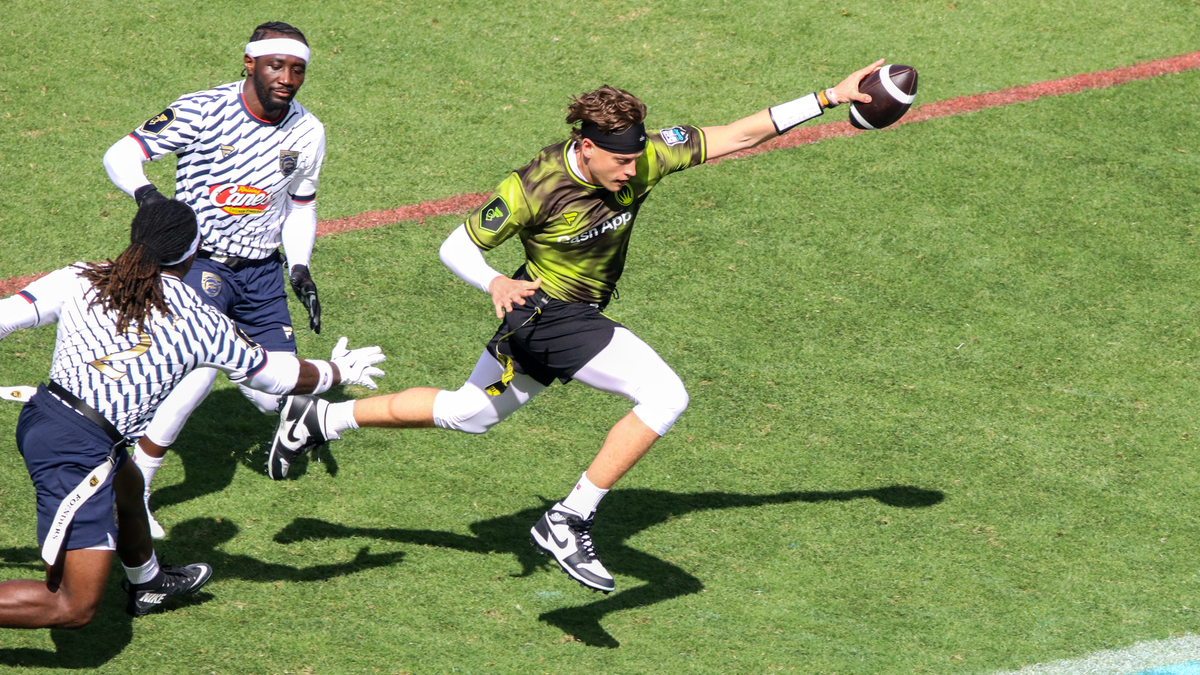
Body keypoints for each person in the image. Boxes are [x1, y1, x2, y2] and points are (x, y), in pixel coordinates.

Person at [271, 60, 885, 594]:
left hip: (552, 320)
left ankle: (323, 418)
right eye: (618, 161)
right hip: (544, 312)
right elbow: (454, 245)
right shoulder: (533, 187)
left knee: (469, 412)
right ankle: (567, 519)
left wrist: (828, 98)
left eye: (635, 158)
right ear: (585, 145)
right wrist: (495, 282)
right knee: (666, 395)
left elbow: (740, 134)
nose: (629, 172)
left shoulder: (646, 155)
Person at [0, 201, 384, 626]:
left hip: (45, 414)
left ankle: (147, 582)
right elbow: (277, 378)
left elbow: (5, 317)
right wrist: (338, 371)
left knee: (127, 487)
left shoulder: (82, 276)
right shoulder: (201, 321)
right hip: (77, 453)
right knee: (73, 606)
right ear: (193, 252)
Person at [102, 21, 328, 537]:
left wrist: (299, 266)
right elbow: (121, 154)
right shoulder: (203, 109)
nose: (287, 78)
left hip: (263, 271)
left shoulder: (307, 130)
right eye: (276, 65)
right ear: (249, 63)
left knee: (278, 390)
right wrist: (148, 196)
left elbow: (300, 206)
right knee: (199, 367)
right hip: (198, 262)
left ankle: (293, 426)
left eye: (298, 69)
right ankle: (135, 488)